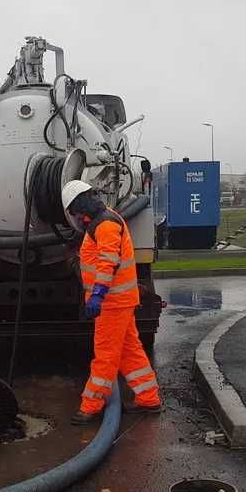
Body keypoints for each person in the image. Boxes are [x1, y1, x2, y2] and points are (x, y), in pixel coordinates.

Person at [61, 180, 163, 425]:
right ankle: (149, 399)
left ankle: (91, 406)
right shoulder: (104, 220)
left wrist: (97, 294)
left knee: (105, 356)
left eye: (76, 211)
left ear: (81, 204)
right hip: (119, 300)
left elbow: (108, 262)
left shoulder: (105, 224)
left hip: (112, 302)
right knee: (130, 351)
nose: (77, 217)